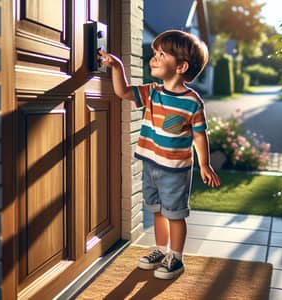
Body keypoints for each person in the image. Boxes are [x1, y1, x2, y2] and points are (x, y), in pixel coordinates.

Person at [98, 29, 220, 280]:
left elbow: (199, 135)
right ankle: (161, 250)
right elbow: (123, 92)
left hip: (175, 170)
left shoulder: (193, 102)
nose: (153, 58)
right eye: (154, 53)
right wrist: (117, 65)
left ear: (181, 66)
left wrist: (205, 165)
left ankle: (175, 257)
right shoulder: (152, 92)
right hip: (151, 164)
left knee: (174, 214)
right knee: (157, 211)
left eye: (161, 54)